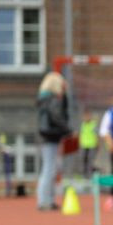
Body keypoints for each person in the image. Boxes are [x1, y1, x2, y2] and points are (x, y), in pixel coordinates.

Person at [36, 71, 70, 211]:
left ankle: (47, 200)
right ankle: (44, 200)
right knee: (49, 169)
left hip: (47, 136)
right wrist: (67, 129)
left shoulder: (44, 98)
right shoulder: (53, 99)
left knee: (51, 168)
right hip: (50, 136)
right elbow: (57, 116)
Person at [78, 109, 99, 178]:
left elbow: (96, 135)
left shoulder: (93, 124)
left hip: (92, 145)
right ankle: (83, 174)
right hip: (84, 145)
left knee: (90, 160)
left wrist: (97, 144)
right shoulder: (82, 124)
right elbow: (80, 134)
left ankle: (89, 175)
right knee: (83, 159)